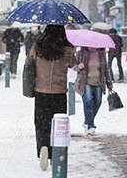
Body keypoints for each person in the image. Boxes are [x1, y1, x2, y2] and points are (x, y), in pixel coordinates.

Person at [25, 25, 76, 171]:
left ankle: (43, 147)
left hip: (41, 91)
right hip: (59, 92)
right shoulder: (67, 48)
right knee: (58, 125)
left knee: (41, 123)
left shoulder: (39, 45)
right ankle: (56, 152)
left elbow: (29, 62)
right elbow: (73, 64)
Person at [74, 47, 113, 136]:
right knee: (88, 102)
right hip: (85, 82)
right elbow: (73, 66)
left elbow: (106, 69)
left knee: (97, 103)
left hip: (98, 83)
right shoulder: (80, 53)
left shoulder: (101, 54)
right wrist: (78, 67)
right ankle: (90, 126)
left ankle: (87, 121)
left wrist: (109, 84)